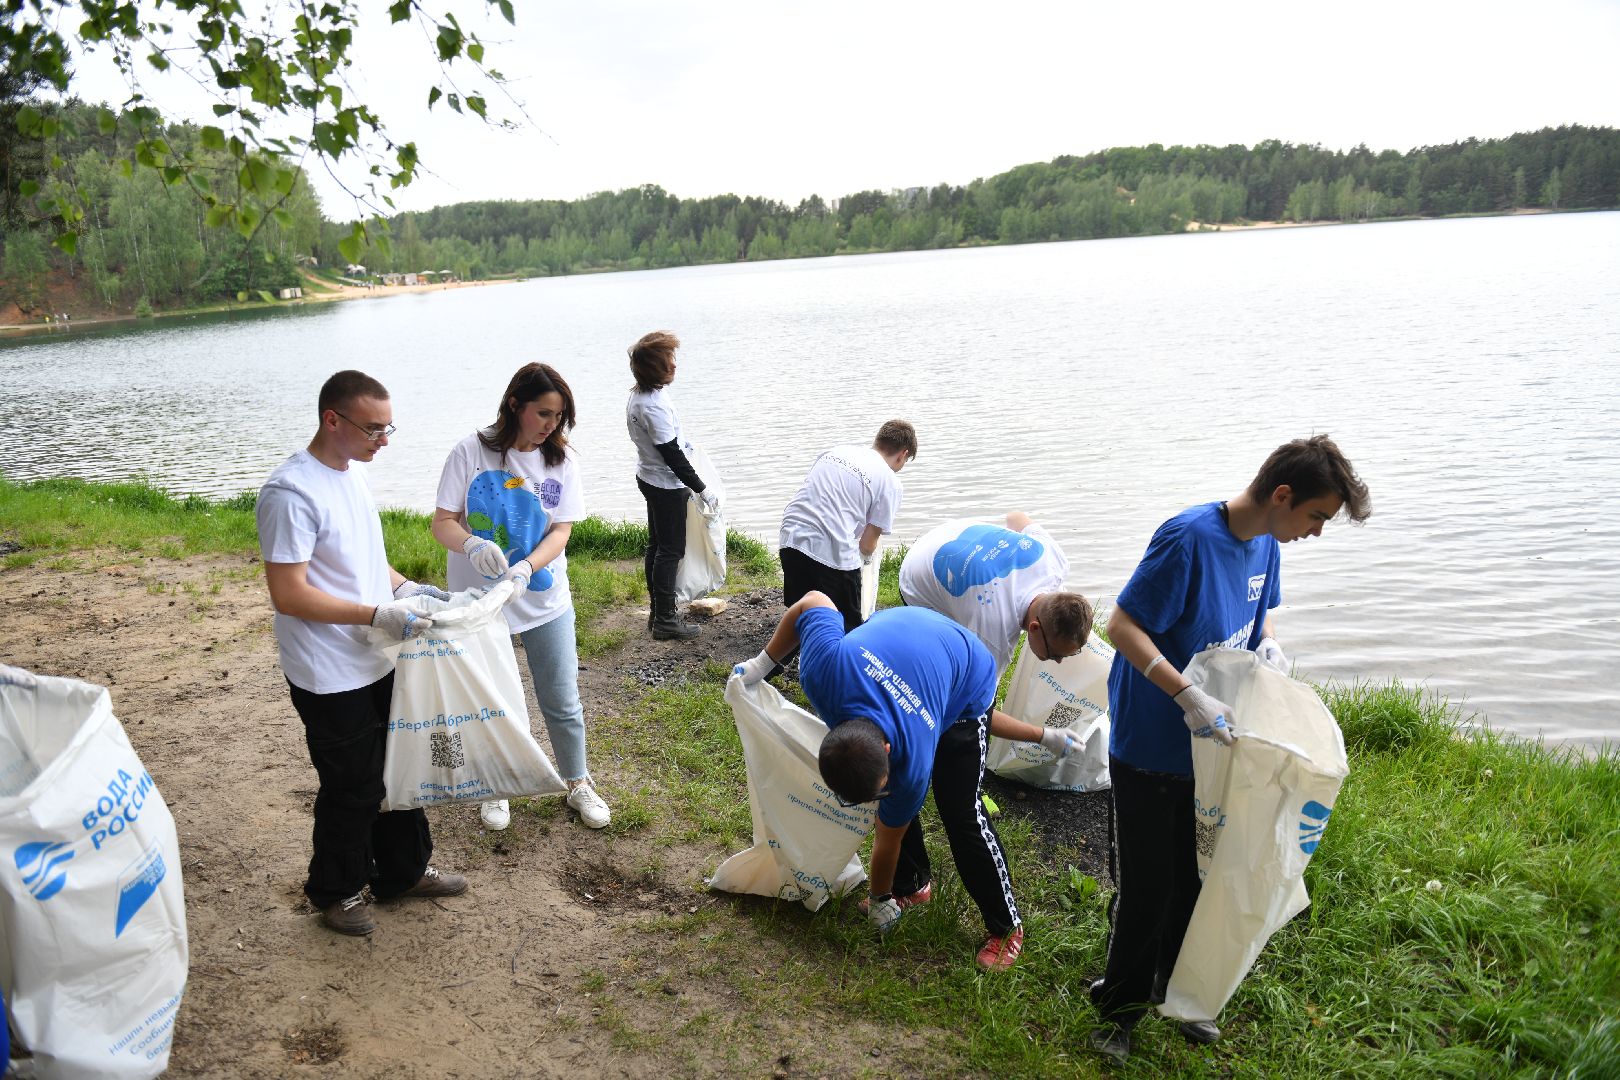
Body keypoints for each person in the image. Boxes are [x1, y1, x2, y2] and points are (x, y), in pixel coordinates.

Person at [1088, 434, 1371, 1060]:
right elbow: (1121, 625)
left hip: (1213, 749)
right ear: (1282, 494)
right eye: (1317, 517)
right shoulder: (1189, 539)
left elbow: (1261, 614)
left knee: (1197, 873)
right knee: (1147, 883)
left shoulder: (1269, 542)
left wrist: (1268, 648)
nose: (1317, 532)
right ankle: (1120, 1008)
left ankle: (1178, 988)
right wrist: (1187, 693)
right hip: (1154, 741)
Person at [732, 593, 1081, 969]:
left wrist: (878, 899)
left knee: (961, 812)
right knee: (897, 802)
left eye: (882, 787)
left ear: (885, 747)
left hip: (965, 664)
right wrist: (762, 665)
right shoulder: (822, 674)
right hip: (905, 639)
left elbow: (887, 839)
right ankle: (912, 886)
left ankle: (1007, 927)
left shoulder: (912, 763)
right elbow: (813, 601)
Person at [256, 370, 467, 937]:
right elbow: (290, 592)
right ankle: (337, 891)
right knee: (353, 785)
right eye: (374, 429)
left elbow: (363, 564)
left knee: (399, 768)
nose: (384, 440)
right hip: (328, 669)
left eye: (388, 427)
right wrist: (377, 614)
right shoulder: (290, 492)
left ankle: (404, 872)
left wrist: (406, 589)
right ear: (333, 420)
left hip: (380, 653)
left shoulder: (350, 475)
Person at [431, 362, 612, 834]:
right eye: (544, 413)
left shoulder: (562, 461)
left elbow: (562, 529)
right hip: (479, 602)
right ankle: (497, 787)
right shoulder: (469, 452)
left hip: (543, 599)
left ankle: (577, 782)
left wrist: (528, 566)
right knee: (493, 699)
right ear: (515, 405)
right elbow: (444, 521)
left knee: (561, 698)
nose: (552, 425)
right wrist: (470, 543)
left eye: (560, 416)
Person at [898, 511, 1094, 675]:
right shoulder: (993, 634)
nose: (1058, 661)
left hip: (952, 532)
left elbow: (1015, 517)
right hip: (916, 575)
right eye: (1054, 654)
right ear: (1034, 628)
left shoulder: (1054, 560)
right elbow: (979, 709)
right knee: (950, 663)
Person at [779, 421, 917, 633]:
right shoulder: (890, 481)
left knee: (803, 613)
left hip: (790, 536)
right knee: (849, 626)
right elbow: (867, 545)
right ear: (903, 454)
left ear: (878, 441)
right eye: (905, 461)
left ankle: (777, 660)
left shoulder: (837, 451)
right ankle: (839, 660)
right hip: (832, 548)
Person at [625, 330, 716, 641]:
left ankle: (657, 613)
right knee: (670, 550)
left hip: (649, 476)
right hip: (664, 484)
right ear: (653, 369)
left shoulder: (645, 394)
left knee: (658, 546)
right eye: (668, 362)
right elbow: (672, 456)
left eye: (673, 358)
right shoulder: (651, 405)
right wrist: (701, 487)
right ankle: (664, 619)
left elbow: (671, 445)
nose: (674, 366)